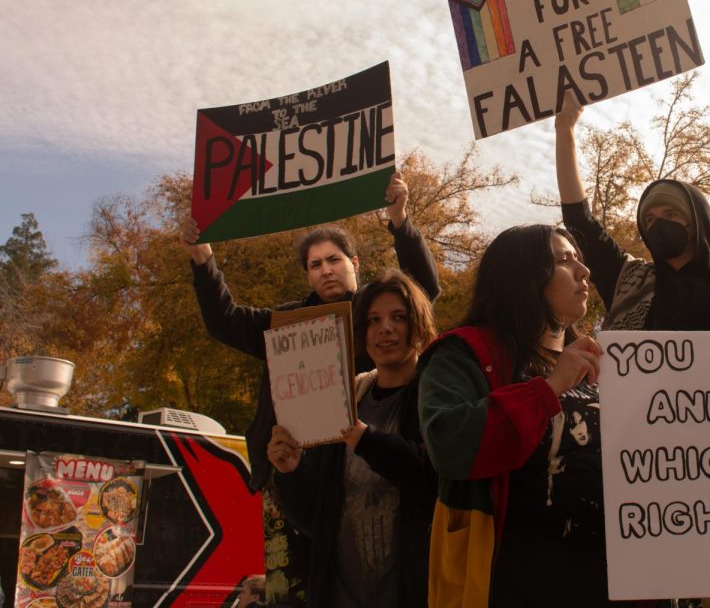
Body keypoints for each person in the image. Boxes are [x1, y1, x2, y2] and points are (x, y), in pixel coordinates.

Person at [180, 171, 440, 491]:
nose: (325, 270)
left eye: (333, 259)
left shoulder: (375, 308)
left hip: (371, 459)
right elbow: (224, 321)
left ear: (355, 263)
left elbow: (422, 288)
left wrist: (399, 219)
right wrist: (201, 256)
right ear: (307, 275)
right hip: (300, 470)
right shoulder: (287, 322)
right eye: (315, 265)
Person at [418, 224, 634, 608]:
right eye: (564, 260)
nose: (584, 271)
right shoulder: (464, 353)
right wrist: (548, 389)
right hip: (514, 584)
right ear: (522, 276)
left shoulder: (600, 365)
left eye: (580, 261)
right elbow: (449, 444)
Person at [267, 270, 438, 607]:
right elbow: (316, 521)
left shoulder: (437, 398)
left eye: (398, 317)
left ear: (418, 325)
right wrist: (290, 472)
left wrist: (369, 441)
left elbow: (438, 485)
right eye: (373, 320)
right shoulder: (343, 401)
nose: (384, 328)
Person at [555, 92, 710, 331]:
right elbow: (579, 219)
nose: (659, 225)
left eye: (671, 215)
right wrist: (564, 129)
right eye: (650, 219)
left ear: (696, 223)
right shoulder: (626, 280)